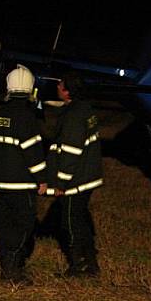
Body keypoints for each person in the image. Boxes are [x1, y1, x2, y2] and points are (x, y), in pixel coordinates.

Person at [0, 65, 47, 284]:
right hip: (22, 184)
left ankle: (6, 267)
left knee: (5, 225)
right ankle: (13, 271)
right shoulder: (26, 117)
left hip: (1, 182)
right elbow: (33, 152)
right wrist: (42, 179)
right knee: (23, 225)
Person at [46, 71, 103, 278]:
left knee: (70, 222)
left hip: (75, 180)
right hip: (87, 177)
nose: (58, 88)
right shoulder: (86, 110)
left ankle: (79, 265)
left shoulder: (73, 116)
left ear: (67, 91)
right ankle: (90, 263)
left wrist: (61, 181)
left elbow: (70, 151)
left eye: (60, 85)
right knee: (80, 218)